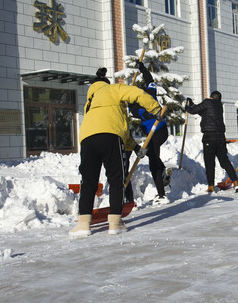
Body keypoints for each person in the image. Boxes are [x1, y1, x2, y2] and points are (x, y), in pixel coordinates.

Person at [70, 67, 161, 237]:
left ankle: (83, 224)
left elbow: (121, 126)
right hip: (110, 139)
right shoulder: (113, 89)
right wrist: (155, 108)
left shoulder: (89, 103)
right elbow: (136, 94)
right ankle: (115, 223)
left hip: (87, 141)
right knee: (116, 179)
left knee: (88, 181)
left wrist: (134, 147)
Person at [128, 61, 170, 201]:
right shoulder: (150, 93)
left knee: (153, 161)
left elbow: (131, 111)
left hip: (154, 133)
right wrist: (143, 69)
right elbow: (150, 81)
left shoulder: (134, 106)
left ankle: (161, 194)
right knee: (153, 156)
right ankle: (162, 170)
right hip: (162, 130)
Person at [186, 91, 238, 193]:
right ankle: (236, 183)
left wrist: (187, 106)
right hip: (220, 136)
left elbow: (193, 111)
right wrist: (193, 105)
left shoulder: (208, 102)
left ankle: (211, 186)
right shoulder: (219, 106)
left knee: (210, 162)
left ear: (211, 97)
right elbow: (202, 112)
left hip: (209, 137)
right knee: (224, 161)